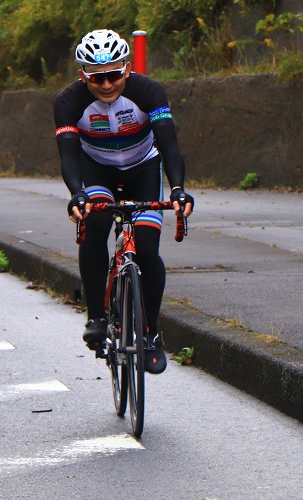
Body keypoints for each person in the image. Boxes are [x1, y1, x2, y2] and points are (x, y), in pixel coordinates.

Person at [53, 29, 195, 375]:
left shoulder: (148, 91)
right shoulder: (68, 102)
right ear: (82, 75)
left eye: (114, 74)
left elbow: (170, 146)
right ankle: (97, 318)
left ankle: (150, 335)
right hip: (96, 170)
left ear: (127, 69)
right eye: (97, 77)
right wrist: (77, 194)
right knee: (95, 223)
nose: (106, 84)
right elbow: (69, 157)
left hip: (144, 167)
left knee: (146, 247)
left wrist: (177, 189)